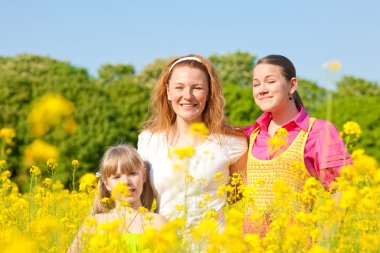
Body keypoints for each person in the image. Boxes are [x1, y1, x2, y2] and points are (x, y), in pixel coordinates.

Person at [137, 54, 248, 230]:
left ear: (210, 93)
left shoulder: (233, 142)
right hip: (166, 246)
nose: (187, 96)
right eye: (179, 87)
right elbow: (141, 203)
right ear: (167, 92)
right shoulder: (149, 141)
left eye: (197, 88)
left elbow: (241, 202)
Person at [244, 54, 352, 232]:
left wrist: (325, 242)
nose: (261, 89)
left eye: (270, 81)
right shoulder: (250, 134)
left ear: (292, 85)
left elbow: (342, 192)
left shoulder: (318, 131)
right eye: (256, 84)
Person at [67, 144, 167, 253]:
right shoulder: (94, 223)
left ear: (143, 176)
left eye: (133, 174)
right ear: (107, 183)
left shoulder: (158, 223)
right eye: (117, 177)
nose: (126, 181)